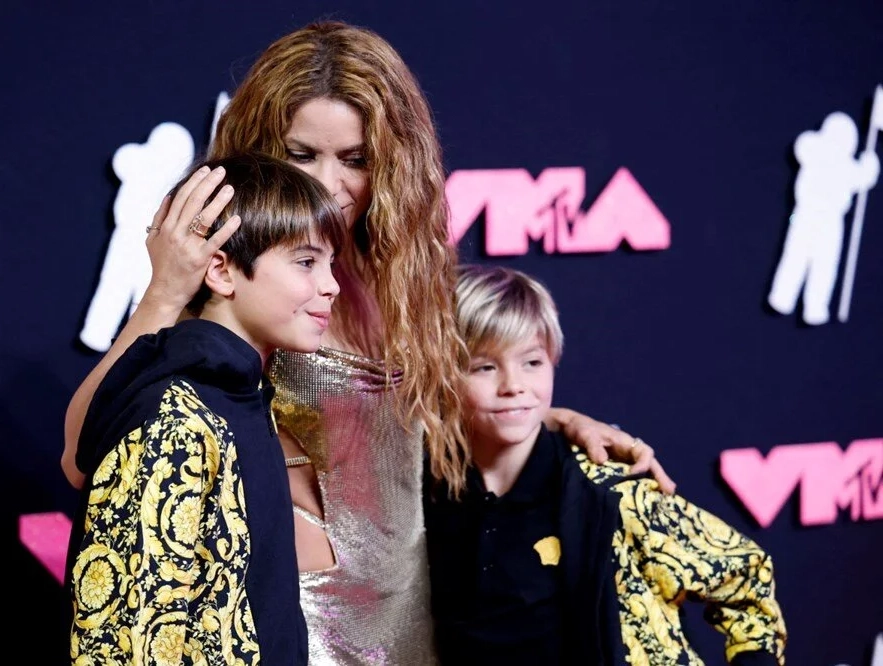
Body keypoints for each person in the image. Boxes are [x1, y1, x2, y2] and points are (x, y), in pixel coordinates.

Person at [62, 21, 674, 664]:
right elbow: (83, 455)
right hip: (294, 631)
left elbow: (419, 421)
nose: (330, 184)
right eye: (302, 155)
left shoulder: (406, 274)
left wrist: (552, 419)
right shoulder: (236, 280)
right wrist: (164, 292)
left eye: (355, 159)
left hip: (409, 618)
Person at [425, 264, 787, 665]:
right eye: (484, 367)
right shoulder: (425, 487)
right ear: (443, 373)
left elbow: (746, 576)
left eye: (532, 362)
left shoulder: (611, 493)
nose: (513, 385)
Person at [67, 152, 346, 665]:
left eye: (331, 263)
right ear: (220, 269)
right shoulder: (175, 419)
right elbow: (131, 642)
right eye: (307, 262)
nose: (332, 284)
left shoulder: (245, 396)